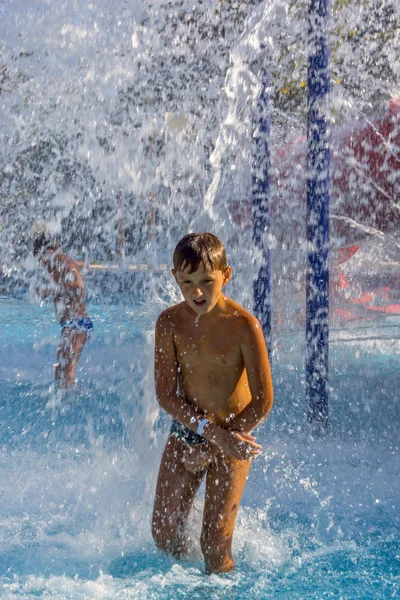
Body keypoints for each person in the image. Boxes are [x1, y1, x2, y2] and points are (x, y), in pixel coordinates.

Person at [152, 232, 273, 574]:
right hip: (189, 430)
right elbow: (166, 395)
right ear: (175, 277)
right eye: (187, 282)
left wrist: (218, 442)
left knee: (215, 544)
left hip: (235, 434)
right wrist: (206, 435)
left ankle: (220, 581)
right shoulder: (169, 324)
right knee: (163, 534)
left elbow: (264, 400)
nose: (197, 292)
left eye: (207, 281)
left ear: (226, 275)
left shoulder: (244, 326)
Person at [33, 232, 93, 390]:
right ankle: (66, 403)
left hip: (77, 324)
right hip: (70, 326)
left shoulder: (62, 261)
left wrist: (50, 290)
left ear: (49, 252)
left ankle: (72, 405)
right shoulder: (59, 263)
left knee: (65, 378)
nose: (41, 264)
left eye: (41, 258)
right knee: (60, 375)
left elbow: (79, 287)